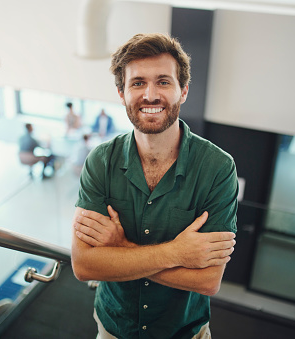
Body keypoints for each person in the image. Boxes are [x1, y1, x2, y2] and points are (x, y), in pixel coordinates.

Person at [71, 33, 238, 338]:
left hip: (185, 332)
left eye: (163, 81)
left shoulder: (218, 168)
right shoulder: (100, 162)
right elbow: (85, 265)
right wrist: (178, 252)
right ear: (121, 93)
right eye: (137, 83)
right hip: (114, 328)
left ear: (183, 91)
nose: (150, 95)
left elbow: (208, 281)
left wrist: (120, 250)